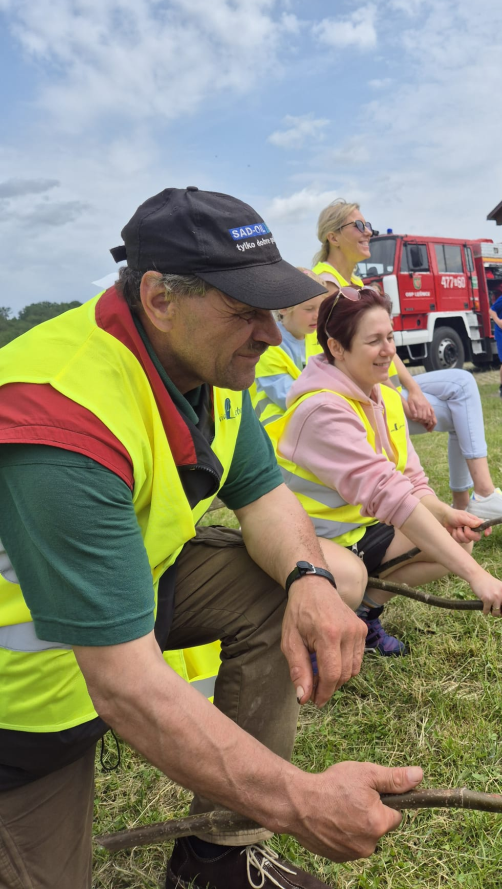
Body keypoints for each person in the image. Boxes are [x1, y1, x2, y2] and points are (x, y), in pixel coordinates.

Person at [0, 187, 427, 889]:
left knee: (281, 582)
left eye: (270, 308)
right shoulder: (62, 416)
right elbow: (126, 685)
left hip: (126, 603)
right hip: (21, 704)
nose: (270, 334)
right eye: (244, 310)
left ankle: (219, 860)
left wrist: (310, 580)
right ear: (159, 299)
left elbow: (263, 497)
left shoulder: (208, 365)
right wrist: (301, 801)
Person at [273, 285, 502, 658]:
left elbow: (411, 483)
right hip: (310, 538)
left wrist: (445, 513)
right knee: (349, 578)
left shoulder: (386, 397)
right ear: (336, 348)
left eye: (390, 337)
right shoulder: (322, 409)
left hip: (360, 530)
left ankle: (364, 617)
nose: (388, 350)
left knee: (456, 539)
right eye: (373, 341)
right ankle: (311, 642)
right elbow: (391, 497)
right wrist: (478, 577)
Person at [312, 199, 502, 524]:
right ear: (332, 236)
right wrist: (398, 399)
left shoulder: (358, 285)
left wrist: (413, 390)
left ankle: (475, 499)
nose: (369, 232)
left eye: (368, 224)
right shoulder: (326, 286)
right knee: (461, 410)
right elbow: (349, 364)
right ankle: (473, 501)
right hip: (356, 399)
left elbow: (386, 349)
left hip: (381, 387)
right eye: (359, 226)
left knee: (463, 381)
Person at [252, 269, 328, 434]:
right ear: (284, 308)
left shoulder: (319, 338)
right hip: (276, 433)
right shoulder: (267, 345)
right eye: (309, 309)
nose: (317, 315)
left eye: (320, 308)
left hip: (311, 423)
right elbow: (287, 395)